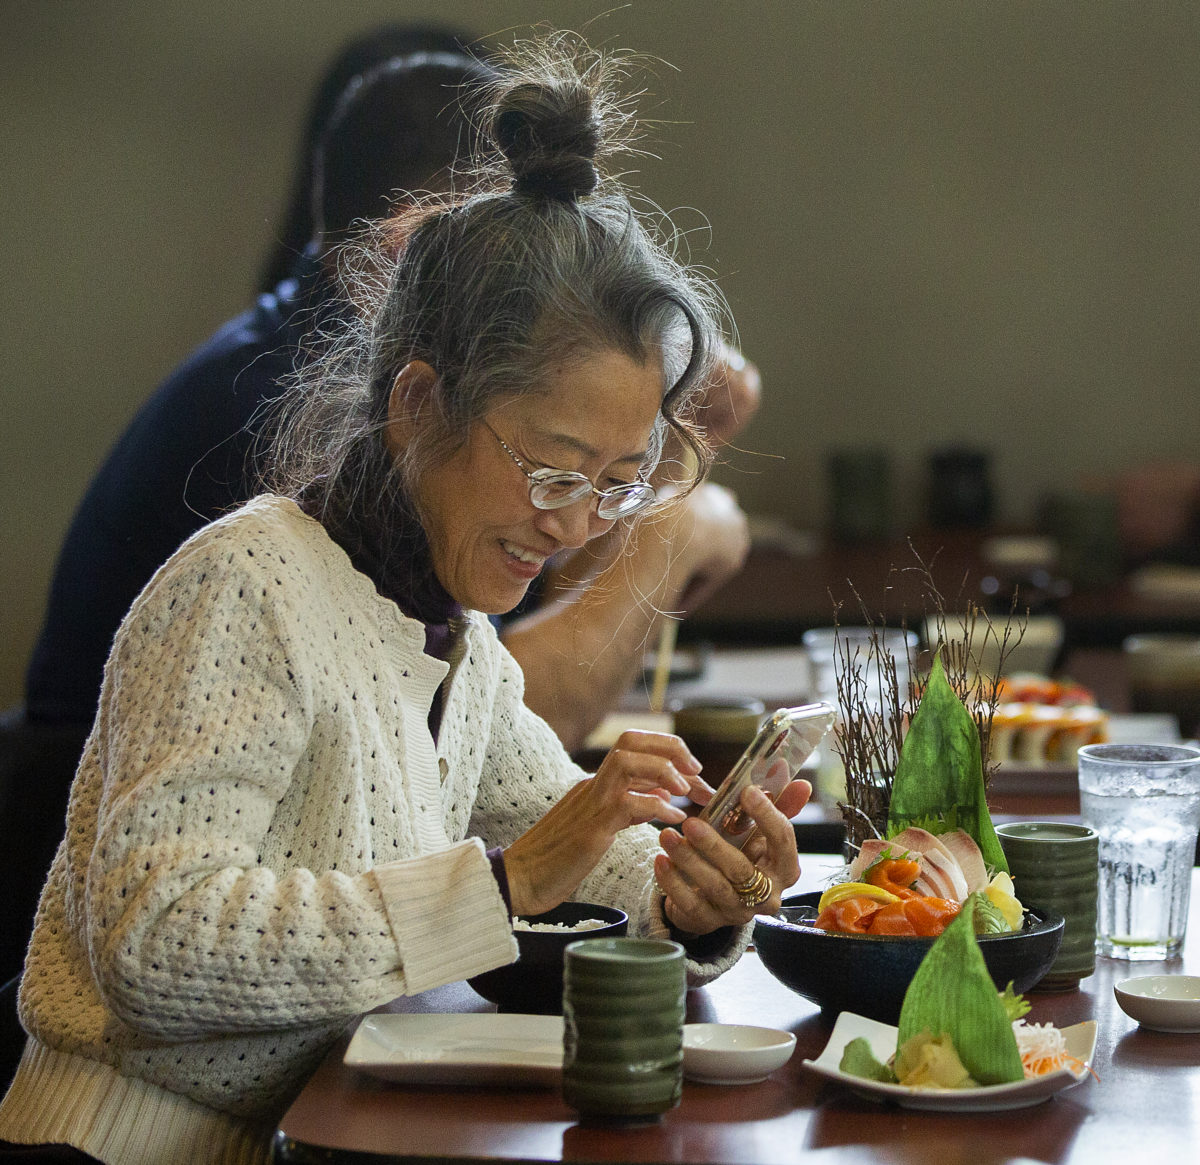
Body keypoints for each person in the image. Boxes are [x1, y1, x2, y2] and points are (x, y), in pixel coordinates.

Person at [0, 37, 807, 1165]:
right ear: (420, 405)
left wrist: (693, 893)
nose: (577, 526)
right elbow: (153, 939)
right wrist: (506, 881)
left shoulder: (452, 640)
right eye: (553, 469)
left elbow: (571, 839)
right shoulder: (247, 586)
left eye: (619, 486)